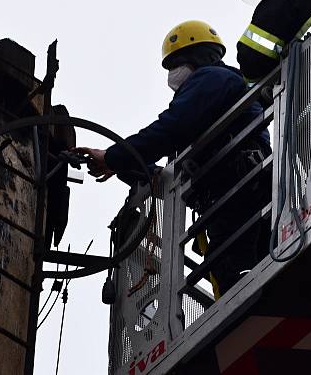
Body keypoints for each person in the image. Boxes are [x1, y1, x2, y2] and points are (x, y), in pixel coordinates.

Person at [76, 20, 271, 296]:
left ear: (197, 56)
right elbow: (170, 161)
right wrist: (126, 165)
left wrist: (114, 156)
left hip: (238, 187)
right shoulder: (210, 100)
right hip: (234, 190)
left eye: (175, 63)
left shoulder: (212, 79)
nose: (172, 74)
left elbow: (169, 130)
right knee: (232, 266)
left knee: (236, 272)